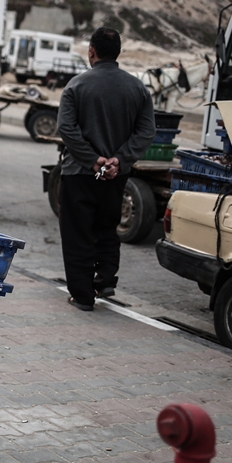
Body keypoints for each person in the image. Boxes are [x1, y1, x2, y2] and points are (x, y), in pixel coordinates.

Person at [56, 27, 155, 311]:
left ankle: (83, 296)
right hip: (115, 176)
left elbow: (67, 129)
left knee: (78, 233)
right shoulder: (137, 88)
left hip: (79, 174)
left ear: (91, 51)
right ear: (119, 53)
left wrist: (92, 160)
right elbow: (146, 131)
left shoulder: (76, 85)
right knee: (107, 227)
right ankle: (106, 280)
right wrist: (119, 160)